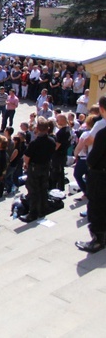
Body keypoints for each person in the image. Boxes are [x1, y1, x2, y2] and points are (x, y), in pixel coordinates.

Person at [76, 95, 106, 252]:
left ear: (101, 109)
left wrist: (89, 164)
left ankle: (98, 240)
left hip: (99, 174)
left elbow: (93, 158)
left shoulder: (102, 131)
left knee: (96, 206)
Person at [20, 117, 57, 222]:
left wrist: (26, 165)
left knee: (33, 190)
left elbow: (26, 157)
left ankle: (33, 214)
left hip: (34, 168)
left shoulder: (34, 143)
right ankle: (42, 210)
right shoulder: (52, 141)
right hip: (45, 167)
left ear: (37, 128)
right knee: (43, 189)